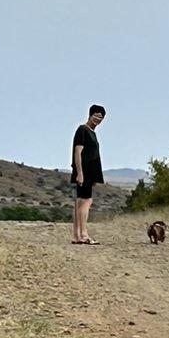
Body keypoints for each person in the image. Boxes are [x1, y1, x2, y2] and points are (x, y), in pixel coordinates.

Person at [71, 104, 106, 244]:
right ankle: (84, 235)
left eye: (101, 117)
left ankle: (77, 236)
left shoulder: (92, 133)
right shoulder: (83, 130)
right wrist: (80, 173)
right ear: (90, 115)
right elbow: (77, 152)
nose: (98, 119)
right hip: (84, 171)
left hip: (90, 172)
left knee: (80, 202)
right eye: (96, 116)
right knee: (86, 201)